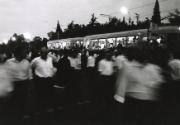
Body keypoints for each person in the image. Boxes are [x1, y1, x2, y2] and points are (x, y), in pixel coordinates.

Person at [7, 45, 32, 122]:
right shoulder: (9, 62)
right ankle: (14, 117)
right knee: (13, 102)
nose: (25, 53)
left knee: (23, 100)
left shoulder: (27, 62)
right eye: (23, 52)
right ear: (18, 53)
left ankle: (21, 115)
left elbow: (30, 75)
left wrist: (30, 86)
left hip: (24, 84)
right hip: (14, 84)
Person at [31, 46, 57, 113]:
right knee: (41, 95)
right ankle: (40, 109)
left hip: (49, 80)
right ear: (40, 53)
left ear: (47, 52)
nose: (44, 54)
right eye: (42, 52)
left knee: (50, 94)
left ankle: (49, 107)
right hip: (40, 80)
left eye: (45, 52)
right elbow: (31, 67)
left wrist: (53, 72)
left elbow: (56, 60)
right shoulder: (36, 60)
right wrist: (34, 76)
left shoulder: (50, 59)